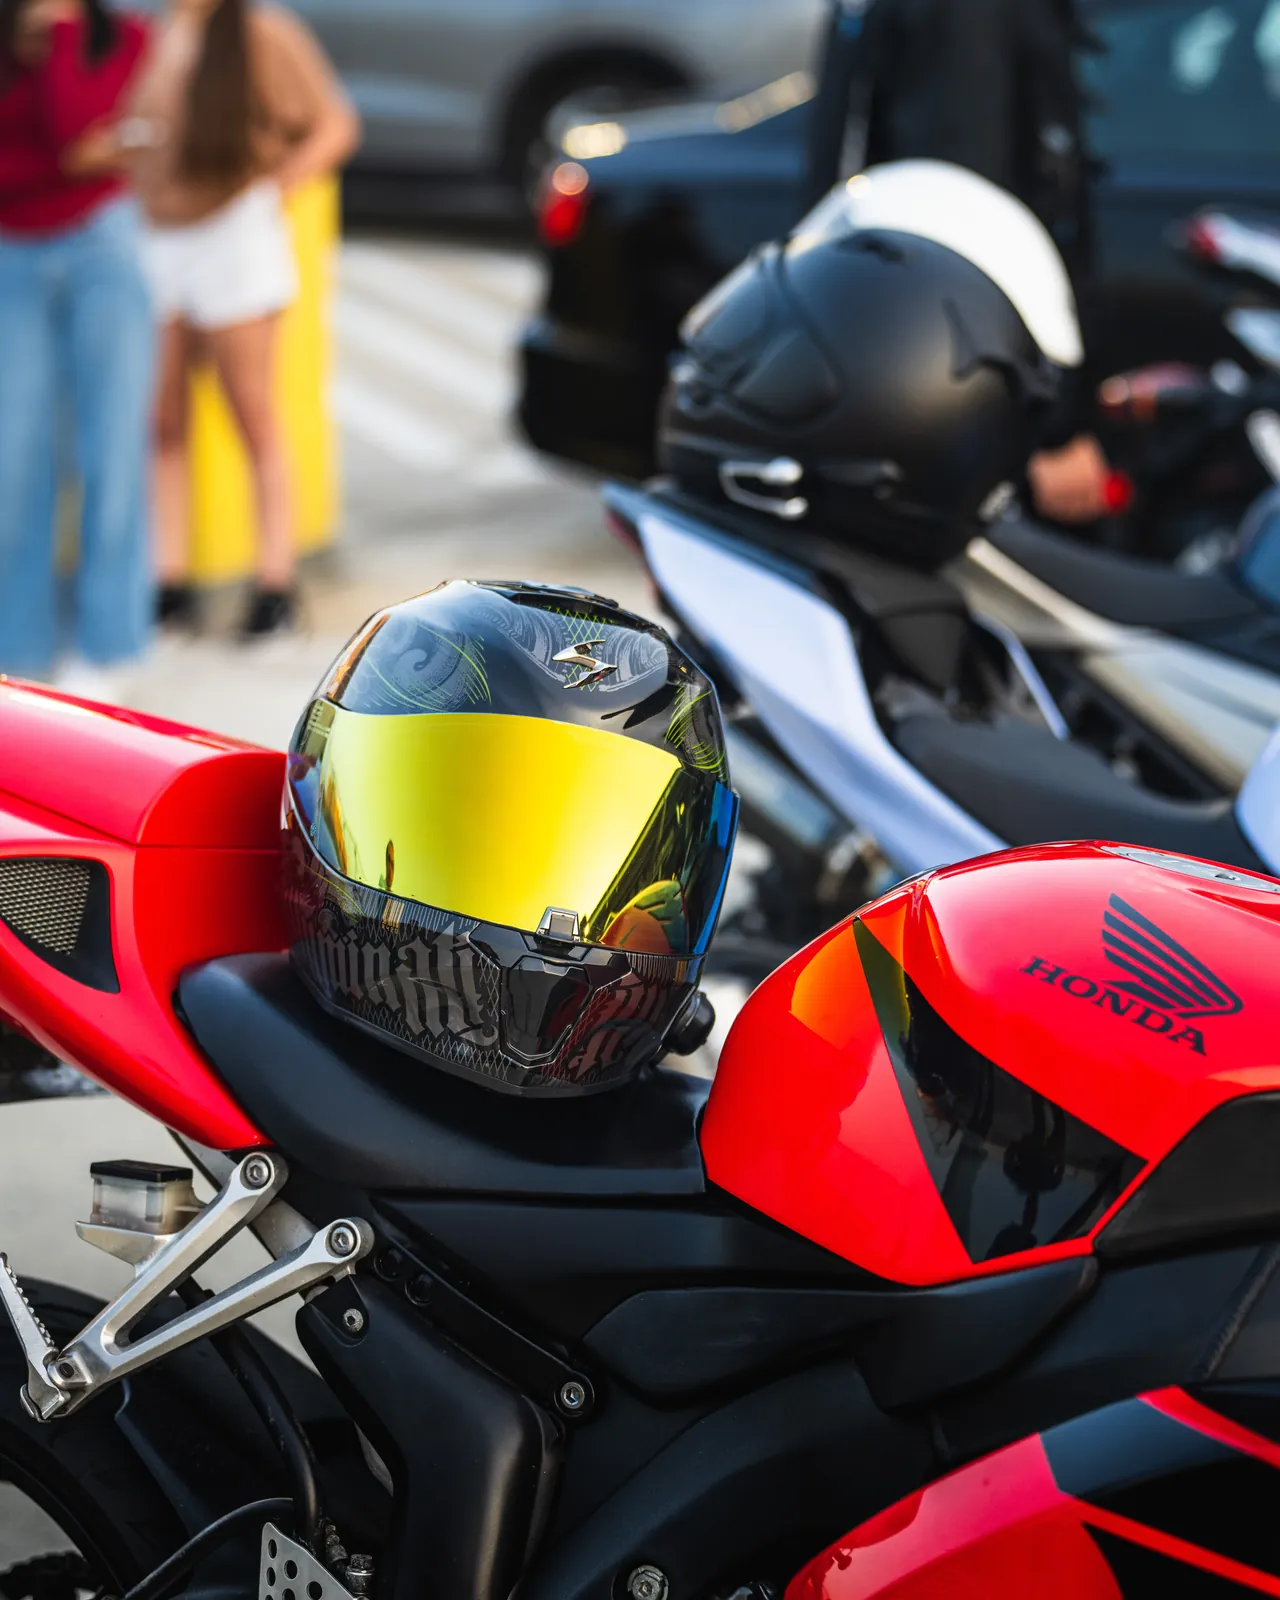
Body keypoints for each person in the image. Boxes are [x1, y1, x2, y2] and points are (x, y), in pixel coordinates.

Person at [805, 0, 1113, 526]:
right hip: (969, 419)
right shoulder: (968, 17)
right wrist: (1051, 430)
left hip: (903, 378)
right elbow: (966, 225)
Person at [128, 0, 358, 640]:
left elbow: (335, 125)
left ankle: (274, 587)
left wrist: (271, 191)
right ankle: (166, 586)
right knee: (162, 421)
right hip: (157, 239)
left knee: (252, 414)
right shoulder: (152, 34)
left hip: (234, 239)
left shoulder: (262, 32)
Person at [0, 0, 153, 694]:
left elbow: (71, 131)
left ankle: (109, 645)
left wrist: (61, 36)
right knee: (14, 456)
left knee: (113, 446)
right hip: (13, 256)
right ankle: (20, 649)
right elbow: (77, 150)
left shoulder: (122, 40)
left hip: (101, 247)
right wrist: (70, 162)